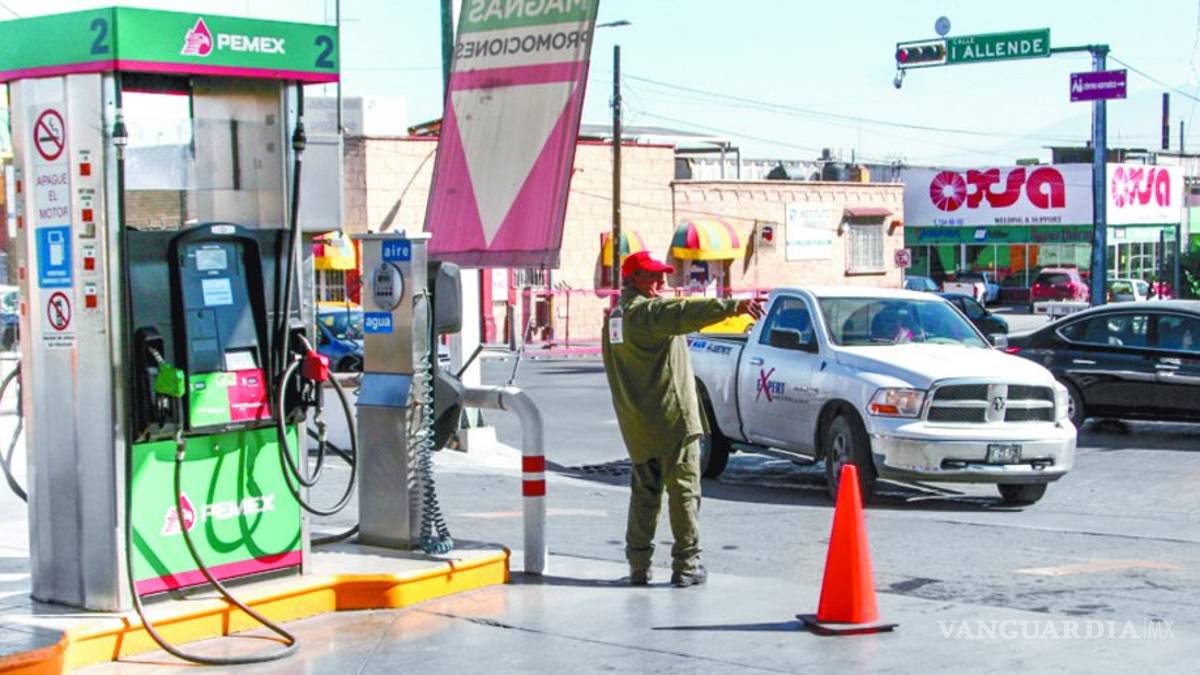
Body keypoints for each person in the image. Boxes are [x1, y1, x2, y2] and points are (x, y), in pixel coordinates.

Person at [602, 250, 764, 587]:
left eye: (661, 275)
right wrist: (731, 306)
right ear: (633, 279)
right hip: (672, 418)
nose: (660, 282)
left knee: (645, 494)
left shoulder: (615, 317)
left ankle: (639, 565)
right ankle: (687, 565)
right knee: (684, 492)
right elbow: (680, 312)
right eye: (652, 276)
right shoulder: (646, 312)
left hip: (639, 424)